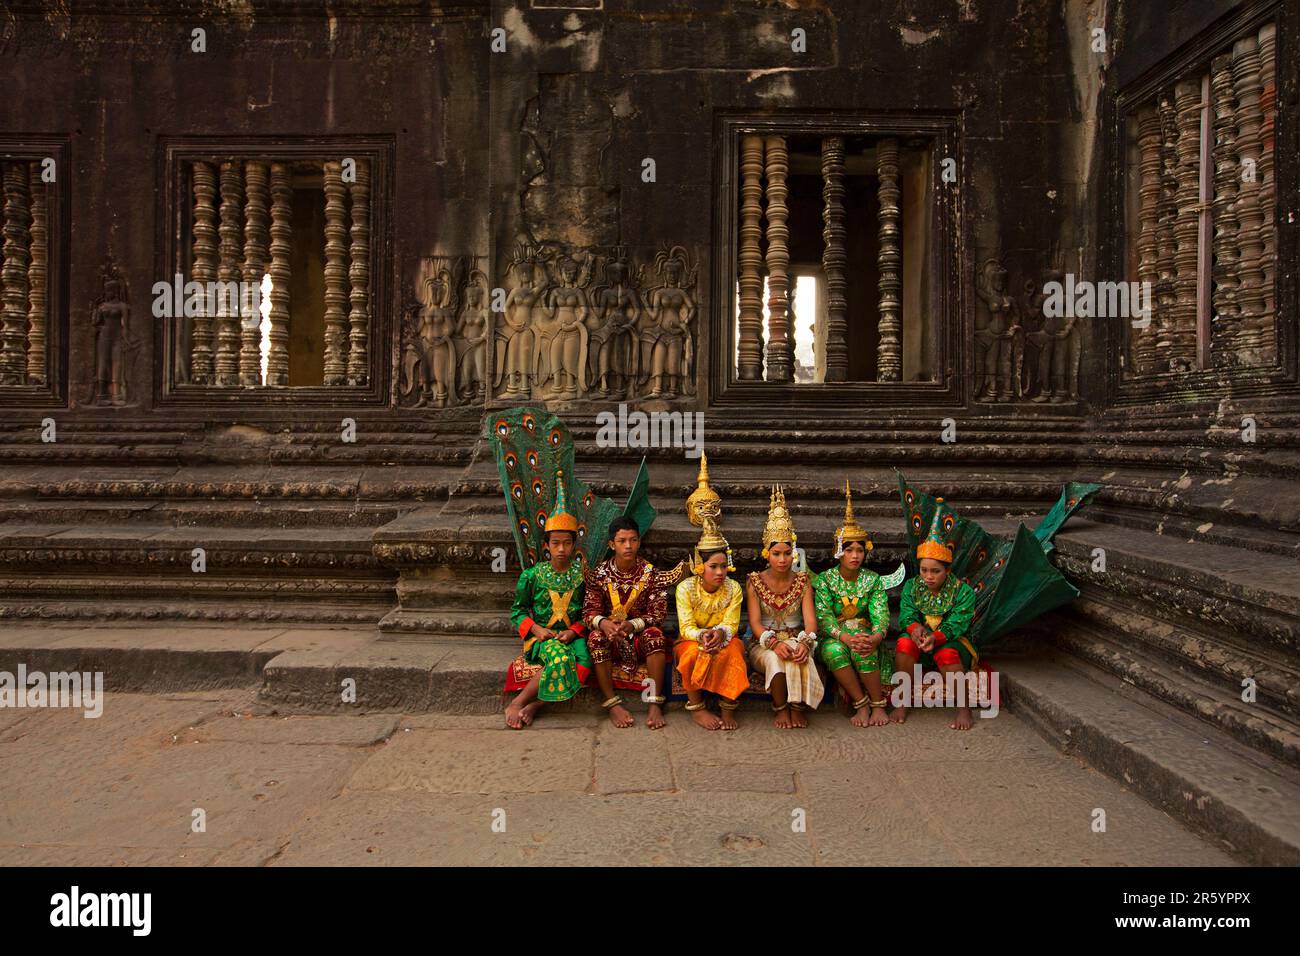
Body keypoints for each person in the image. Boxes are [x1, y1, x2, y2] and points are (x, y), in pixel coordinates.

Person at [582, 516, 688, 729]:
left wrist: (633, 625)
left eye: (633, 540)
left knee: (656, 635)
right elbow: (588, 611)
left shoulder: (650, 574)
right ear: (612, 544)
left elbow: (658, 613)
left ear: (639, 542)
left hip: (638, 637)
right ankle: (613, 704)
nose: (628, 546)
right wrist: (604, 624)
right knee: (594, 637)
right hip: (610, 637)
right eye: (622, 541)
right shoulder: (600, 574)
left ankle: (655, 702)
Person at [503, 470, 591, 729]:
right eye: (555, 543)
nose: (561, 549)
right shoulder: (532, 576)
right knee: (561, 659)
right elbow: (517, 612)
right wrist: (536, 629)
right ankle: (518, 702)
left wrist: (575, 632)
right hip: (544, 638)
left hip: (571, 637)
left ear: (574, 544)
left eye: (566, 543)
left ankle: (536, 705)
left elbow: (589, 610)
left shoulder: (583, 574)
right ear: (547, 546)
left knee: (587, 660)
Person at [892, 501, 980, 730]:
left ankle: (963, 708)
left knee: (947, 653)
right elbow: (907, 615)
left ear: (947, 571)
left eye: (935, 571)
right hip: (919, 640)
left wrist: (936, 637)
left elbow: (957, 624)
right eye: (924, 570)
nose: (928, 577)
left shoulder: (963, 591)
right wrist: (916, 630)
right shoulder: (912, 586)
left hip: (950, 641)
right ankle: (901, 701)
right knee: (903, 643)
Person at [675, 456, 747, 730]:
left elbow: (731, 623)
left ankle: (728, 709)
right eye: (713, 567)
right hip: (694, 639)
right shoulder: (685, 588)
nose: (720, 572)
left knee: (733, 654)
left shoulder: (733, 588)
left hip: (725, 638)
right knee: (692, 654)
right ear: (699, 566)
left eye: (723, 566)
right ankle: (697, 708)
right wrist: (704, 636)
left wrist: (720, 634)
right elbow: (685, 627)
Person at [814, 481, 892, 727]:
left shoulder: (873, 580)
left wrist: (876, 637)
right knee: (832, 651)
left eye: (859, 550)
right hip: (836, 636)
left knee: (865, 646)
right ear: (839, 553)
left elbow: (881, 614)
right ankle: (861, 704)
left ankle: (878, 704)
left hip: (865, 633)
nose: (855, 556)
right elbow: (824, 617)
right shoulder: (826, 580)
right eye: (849, 550)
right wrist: (844, 637)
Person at [745, 485, 824, 729]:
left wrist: (805, 642)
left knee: (799, 656)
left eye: (787, 553)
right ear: (766, 554)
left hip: (795, 638)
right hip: (763, 643)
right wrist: (774, 643)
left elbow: (810, 621)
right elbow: (755, 623)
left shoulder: (803, 581)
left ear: (794, 555)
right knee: (775, 661)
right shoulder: (754, 581)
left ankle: (798, 707)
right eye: (776, 553)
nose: (782, 559)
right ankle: (780, 708)